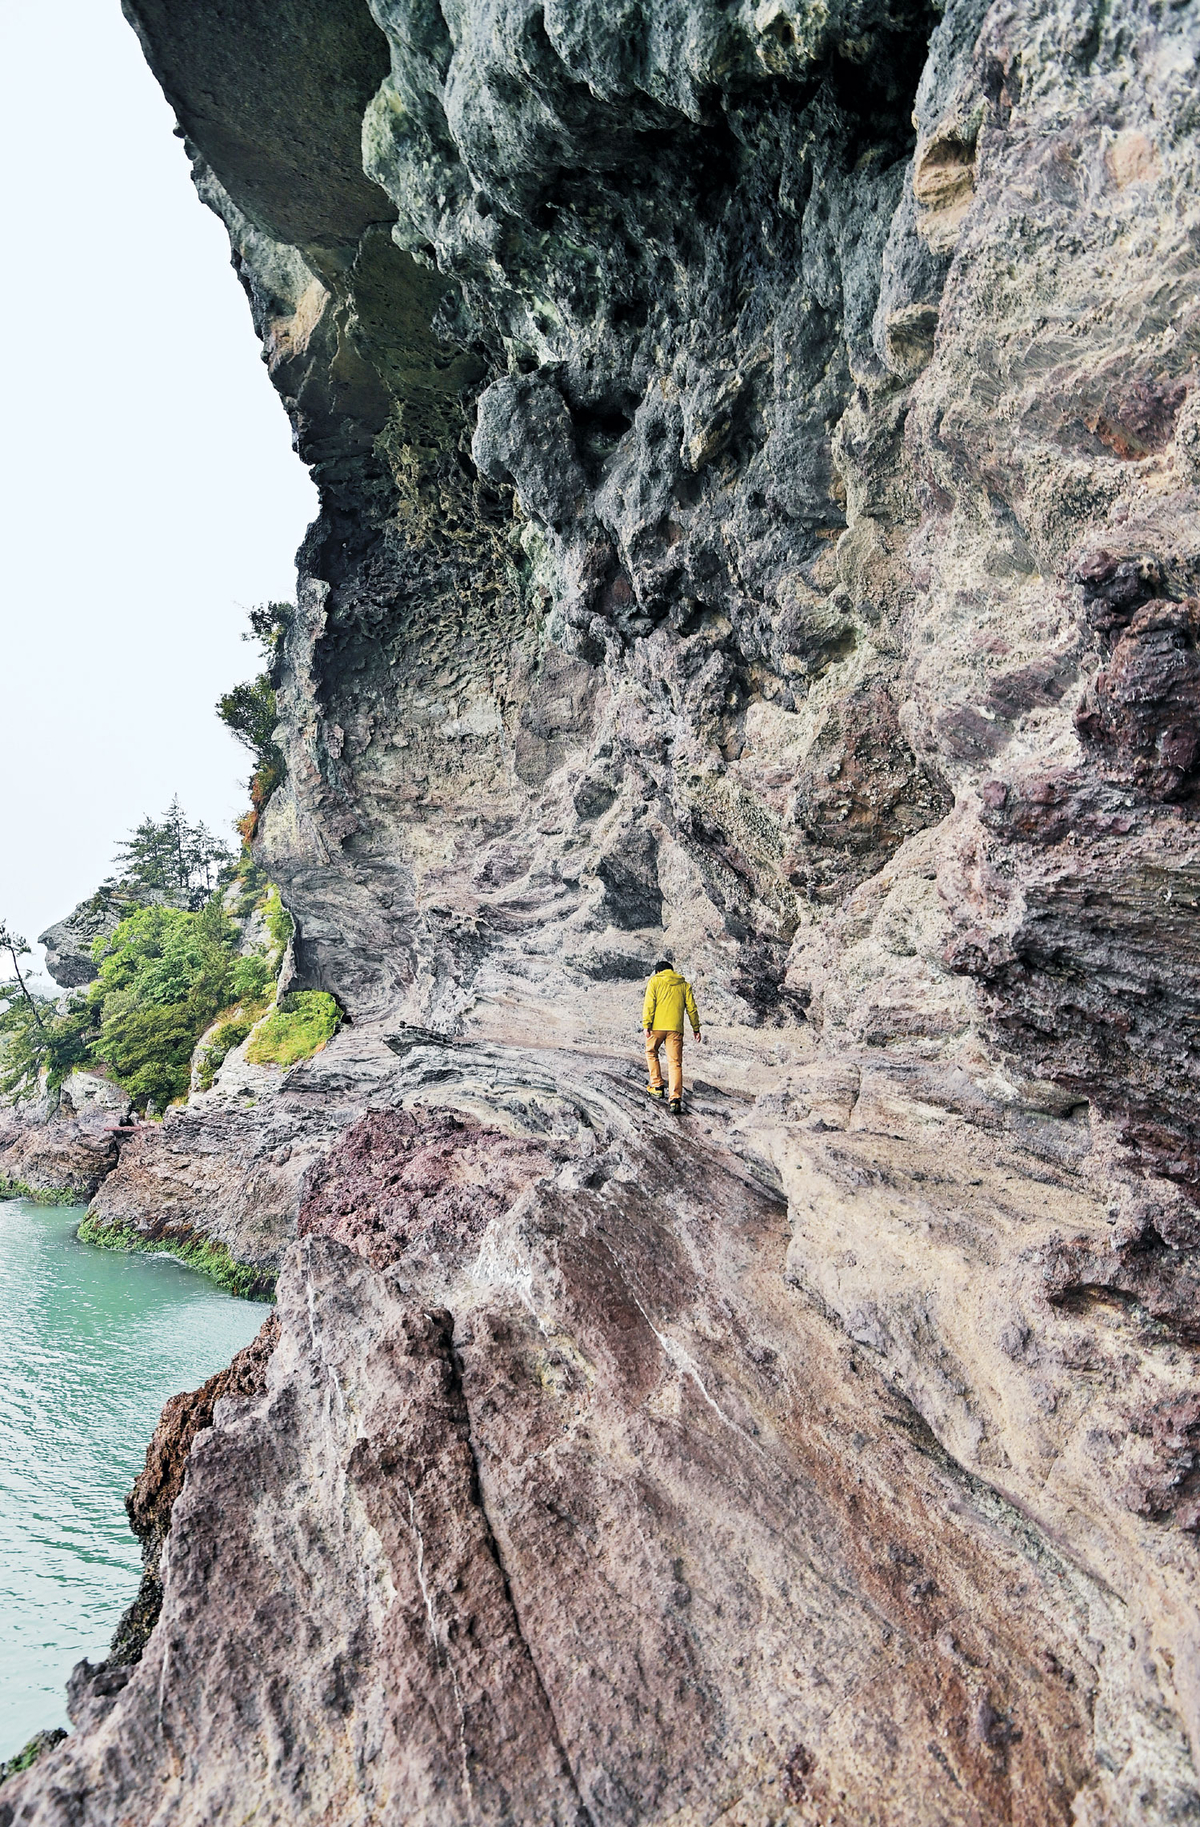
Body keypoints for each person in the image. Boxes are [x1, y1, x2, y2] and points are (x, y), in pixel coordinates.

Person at [642, 958, 702, 1114]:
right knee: (675, 1063)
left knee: (651, 1052)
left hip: (657, 1027)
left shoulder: (655, 981)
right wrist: (696, 1028)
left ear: (658, 972)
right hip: (675, 1029)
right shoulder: (683, 984)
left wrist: (646, 1025)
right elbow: (692, 1009)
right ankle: (675, 1099)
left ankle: (656, 1086)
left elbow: (649, 1004)